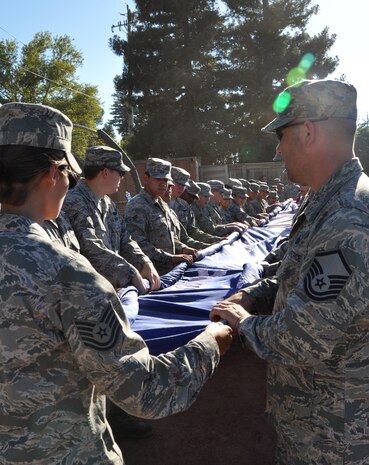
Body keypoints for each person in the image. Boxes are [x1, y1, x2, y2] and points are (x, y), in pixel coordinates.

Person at [0, 102, 233, 465]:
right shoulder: (64, 272)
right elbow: (146, 391)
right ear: (50, 173)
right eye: (66, 174)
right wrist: (211, 344)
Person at [210, 79, 369, 465]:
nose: (278, 150)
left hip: (333, 434)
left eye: (282, 135)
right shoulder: (325, 199)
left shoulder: (347, 219)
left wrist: (241, 322)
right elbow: (295, 274)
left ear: (309, 132)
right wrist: (255, 294)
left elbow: (301, 340)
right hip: (313, 416)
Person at [62, 145, 160, 295]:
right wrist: (130, 273)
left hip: (113, 291)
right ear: (105, 172)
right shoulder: (74, 202)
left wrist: (144, 262)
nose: (123, 177)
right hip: (90, 296)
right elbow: (90, 247)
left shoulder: (108, 203)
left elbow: (125, 239)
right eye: (120, 172)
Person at [124, 157, 197, 275]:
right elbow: (138, 244)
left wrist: (182, 248)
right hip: (151, 276)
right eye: (158, 179)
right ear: (146, 178)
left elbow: (167, 235)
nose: (163, 184)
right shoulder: (137, 206)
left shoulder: (161, 204)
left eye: (166, 179)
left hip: (169, 272)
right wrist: (171, 258)